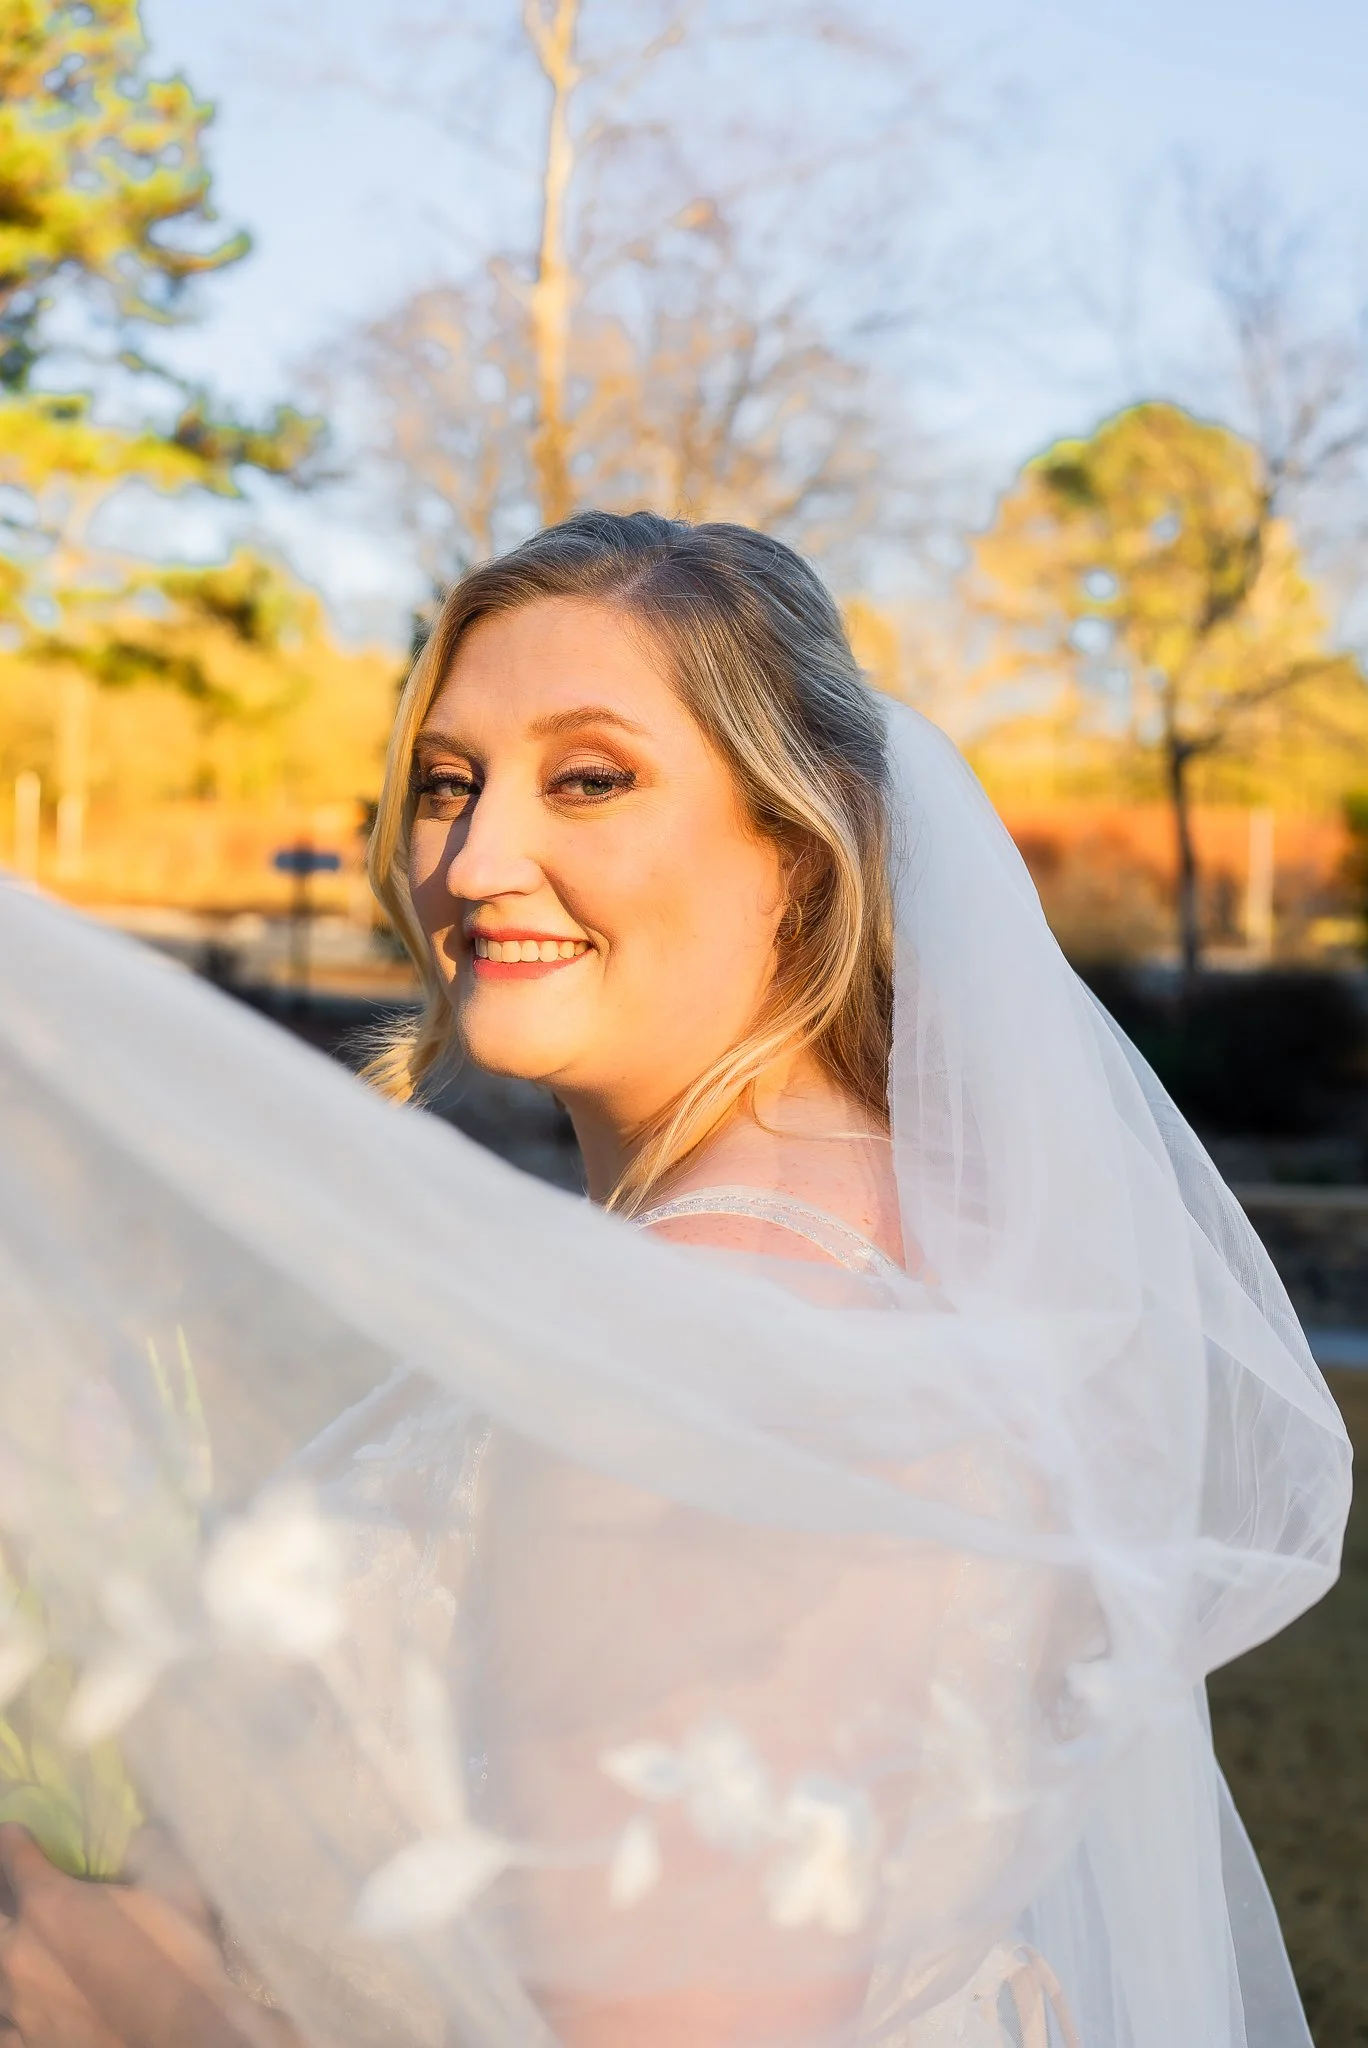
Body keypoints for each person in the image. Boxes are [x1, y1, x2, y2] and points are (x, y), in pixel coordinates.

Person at [0, 512, 1349, 2047]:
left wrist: (120, 1992)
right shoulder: (907, 1233)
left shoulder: (710, 1361)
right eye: (449, 782)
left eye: (590, 777)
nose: (473, 857)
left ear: (798, 844)